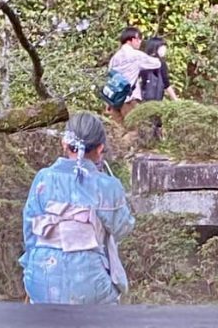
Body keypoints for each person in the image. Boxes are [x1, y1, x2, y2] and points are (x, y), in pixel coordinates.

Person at [19, 112, 135, 304]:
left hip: (41, 277)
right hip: (89, 282)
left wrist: (31, 266)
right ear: (100, 148)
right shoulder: (107, 186)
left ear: (65, 144)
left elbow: (30, 232)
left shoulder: (43, 179)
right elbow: (123, 227)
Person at [107, 26, 161, 123]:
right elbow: (156, 63)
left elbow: (109, 79)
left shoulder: (114, 58)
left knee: (119, 131)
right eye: (138, 39)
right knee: (133, 131)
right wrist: (157, 53)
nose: (140, 41)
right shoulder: (136, 55)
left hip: (115, 100)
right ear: (131, 40)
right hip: (129, 101)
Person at [141, 37, 179, 102]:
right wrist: (175, 99)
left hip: (141, 97)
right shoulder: (160, 63)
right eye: (162, 46)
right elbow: (166, 83)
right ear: (156, 47)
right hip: (154, 99)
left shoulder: (142, 60)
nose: (165, 49)